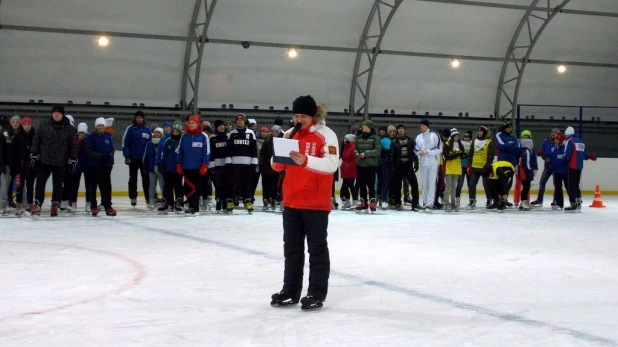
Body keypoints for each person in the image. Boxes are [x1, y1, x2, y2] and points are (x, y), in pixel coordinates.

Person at [270, 95, 338, 310]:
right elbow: (276, 165)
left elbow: (331, 164)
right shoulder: (289, 134)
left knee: (316, 250)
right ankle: (290, 290)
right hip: (291, 202)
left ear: (313, 116)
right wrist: (278, 158)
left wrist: (306, 160)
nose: (299, 119)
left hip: (315, 204)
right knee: (291, 249)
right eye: (296, 115)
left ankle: (316, 293)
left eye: (303, 116)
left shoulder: (326, 135)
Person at [30, 105, 78, 216]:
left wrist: (73, 158)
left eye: (59, 112)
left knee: (57, 185)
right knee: (40, 183)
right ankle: (37, 203)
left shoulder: (69, 129)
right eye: (54, 112)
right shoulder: (44, 125)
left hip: (61, 161)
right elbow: (36, 140)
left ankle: (55, 205)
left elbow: (73, 146)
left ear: (62, 114)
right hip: (44, 160)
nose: (56, 114)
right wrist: (34, 153)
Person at [176, 115, 210, 214]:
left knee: (196, 188)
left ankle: (194, 206)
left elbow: (206, 151)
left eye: (193, 123)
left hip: (198, 167)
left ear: (197, 124)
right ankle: (191, 205)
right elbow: (179, 151)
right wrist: (178, 163)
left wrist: (205, 164)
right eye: (189, 123)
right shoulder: (184, 136)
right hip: (186, 167)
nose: (191, 125)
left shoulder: (203, 136)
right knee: (189, 187)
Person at [224, 113, 257, 213]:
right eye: (238, 120)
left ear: (245, 121)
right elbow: (228, 149)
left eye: (241, 120)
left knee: (246, 184)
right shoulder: (231, 133)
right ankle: (230, 201)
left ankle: (248, 201)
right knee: (232, 183)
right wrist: (228, 161)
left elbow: (253, 149)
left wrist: (254, 162)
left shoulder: (251, 133)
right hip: (234, 163)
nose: (240, 121)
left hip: (247, 164)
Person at [84, 117, 116, 216]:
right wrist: (100, 156)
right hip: (94, 166)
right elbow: (88, 151)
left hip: (106, 165)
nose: (101, 127)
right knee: (93, 187)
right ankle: (93, 206)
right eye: (99, 125)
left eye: (102, 125)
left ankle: (108, 206)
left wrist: (109, 155)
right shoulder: (91, 137)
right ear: (96, 126)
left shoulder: (107, 136)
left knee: (106, 187)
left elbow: (112, 149)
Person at [563, 126, 596, 212]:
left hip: (571, 166)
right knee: (576, 185)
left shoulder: (570, 141)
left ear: (568, 134)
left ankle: (573, 203)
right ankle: (578, 202)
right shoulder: (581, 141)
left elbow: (567, 154)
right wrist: (588, 156)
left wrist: (564, 161)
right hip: (579, 166)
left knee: (571, 185)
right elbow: (583, 154)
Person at [122, 110, 152, 207]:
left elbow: (151, 144)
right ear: (135, 118)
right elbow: (125, 143)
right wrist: (127, 155)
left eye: (141, 117)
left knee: (146, 179)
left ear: (143, 118)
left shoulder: (147, 129)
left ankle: (148, 197)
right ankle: (133, 197)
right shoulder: (130, 129)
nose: (139, 119)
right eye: (137, 117)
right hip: (133, 158)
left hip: (144, 159)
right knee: (133, 179)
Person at [389, 123, 420, 211]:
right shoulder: (394, 142)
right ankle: (398, 203)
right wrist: (392, 167)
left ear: (405, 130)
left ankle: (415, 204)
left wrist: (416, 163)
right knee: (397, 186)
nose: (401, 130)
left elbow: (414, 153)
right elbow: (391, 155)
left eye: (402, 128)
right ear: (397, 131)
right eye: (399, 129)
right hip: (398, 166)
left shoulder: (410, 141)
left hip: (408, 166)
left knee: (414, 185)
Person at [414, 118, 442, 210]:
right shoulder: (418, 137)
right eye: (420, 125)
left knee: (431, 183)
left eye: (423, 125)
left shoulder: (435, 135)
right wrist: (419, 153)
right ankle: (425, 202)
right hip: (423, 163)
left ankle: (430, 203)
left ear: (427, 126)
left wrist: (428, 152)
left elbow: (439, 149)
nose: (421, 127)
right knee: (424, 183)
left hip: (433, 163)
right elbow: (415, 149)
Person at [354, 119, 381, 212]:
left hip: (371, 165)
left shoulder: (375, 138)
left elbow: (377, 151)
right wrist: (357, 153)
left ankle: (372, 202)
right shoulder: (359, 137)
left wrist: (366, 153)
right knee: (362, 185)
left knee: (371, 185)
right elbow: (355, 149)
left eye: (364, 125)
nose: (362, 127)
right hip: (360, 164)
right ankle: (363, 203)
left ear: (369, 127)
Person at [10, 117, 36, 215]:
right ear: (22, 125)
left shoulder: (35, 136)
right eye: (25, 124)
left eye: (28, 124)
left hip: (31, 167)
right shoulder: (17, 137)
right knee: (19, 187)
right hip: (19, 167)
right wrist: (13, 168)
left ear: (31, 125)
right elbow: (13, 153)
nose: (26, 126)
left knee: (30, 186)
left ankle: (30, 205)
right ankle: (19, 205)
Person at [158, 122, 184, 213]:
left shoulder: (182, 141)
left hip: (178, 168)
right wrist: (162, 164)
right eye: (174, 131)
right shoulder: (168, 141)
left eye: (177, 131)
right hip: (168, 168)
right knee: (167, 186)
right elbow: (163, 154)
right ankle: (168, 203)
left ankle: (178, 202)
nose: (175, 133)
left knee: (178, 186)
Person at [531, 128, 560, 207]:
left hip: (556, 166)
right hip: (547, 166)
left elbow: (560, 153)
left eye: (555, 132)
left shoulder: (559, 142)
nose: (553, 134)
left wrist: (552, 158)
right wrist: (544, 157)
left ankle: (556, 200)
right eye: (552, 132)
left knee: (556, 183)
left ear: (558, 134)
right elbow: (543, 152)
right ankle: (539, 199)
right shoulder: (545, 141)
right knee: (542, 182)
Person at [467, 126, 494, 208]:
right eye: (478, 131)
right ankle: (472, 200)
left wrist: (488, 166)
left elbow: (490, 156)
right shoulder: (474, 141)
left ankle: (489, 200)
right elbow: (471, 154)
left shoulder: (489, 142)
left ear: (485, 133)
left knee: (486, 185)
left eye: (481, 131)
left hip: (484, 168)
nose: (479, 133)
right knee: (471, 184)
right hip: (475, 167)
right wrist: (469, 165)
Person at [495, 120, 520, 206]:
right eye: (509, 127)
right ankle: (498, 198)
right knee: (501, 180)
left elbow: (517, 147)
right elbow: (501, 145)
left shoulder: (513, 137)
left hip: (511, 162)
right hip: (502, 162)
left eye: (511, 127)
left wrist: (508, 146)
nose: (511, 129)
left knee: (509, 181)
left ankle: (505, 198)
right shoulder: (498, 135)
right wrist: (510, 144)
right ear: (505, 128)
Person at [259, 125, 281, 211]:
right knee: (266, 185)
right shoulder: (267, 141)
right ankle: (265, 199)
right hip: (266, 167)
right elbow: (262, 154)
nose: (274, 133)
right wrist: (261, 164)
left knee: (274, 185)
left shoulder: (281, 141)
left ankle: (273, 199)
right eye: (273, 131)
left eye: (276, 131)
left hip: (277, 168)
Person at [71, 123, 92, 212]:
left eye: (83, 132)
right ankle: (73, 203)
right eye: (80, 132)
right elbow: (74, 150)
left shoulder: (89, 139)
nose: (81, 134)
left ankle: (88, 203)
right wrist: (79, 141)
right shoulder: (74, 139)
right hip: (77, 165)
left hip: (87, 165)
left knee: (89, 185)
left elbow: (90, 150)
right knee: (74, 185)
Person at [443, 128, 465, 212]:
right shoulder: (447, 144)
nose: (457, 138)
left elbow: (462, 154)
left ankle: (453, 202)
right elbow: (447, 156)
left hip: (457, 167)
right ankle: (446, 202)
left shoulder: (460, 144)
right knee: (448, 185)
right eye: (455, 136)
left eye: (458, 136)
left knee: (454, 186)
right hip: (449, 167)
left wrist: (462, 155)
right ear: (452, 137)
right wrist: (456, 155)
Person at [209, 120, 228, 212]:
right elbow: (210, 152)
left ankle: (225, 202)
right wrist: (211, 165)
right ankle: (218, 201)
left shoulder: (228, 137)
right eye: (220, 126)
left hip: (227, 165)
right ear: (216, 127)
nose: (222, 127)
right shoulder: (212, 138)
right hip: (216, 165)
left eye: (223, 125)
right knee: (218, 185)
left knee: (226, 184)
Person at [144, 127, 164, 209]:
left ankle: (164, 200)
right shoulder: (149, 144)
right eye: (155, 132)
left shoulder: (163, 143)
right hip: (151, 169)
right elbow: (145, 156)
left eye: (159, 132)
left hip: (160, 169)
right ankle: (151, 200)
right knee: (152, 185)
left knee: (162, 185)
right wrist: (145, 167)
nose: (157, 134)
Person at [517, 131, 537, 211]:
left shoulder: (523, 151)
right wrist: (529, 171)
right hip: (525, 172)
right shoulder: (527, 151)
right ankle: (523, 202)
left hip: (522, 171)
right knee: (526, 187)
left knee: (526, 187)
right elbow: (527, 163)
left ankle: (524, 202)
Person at [340, 134, 358, 209]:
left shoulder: (353, 148)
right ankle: (348, 201)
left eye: (346, 139)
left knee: (349, 185)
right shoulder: (346, 147)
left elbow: (354, 160)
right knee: (345, 186)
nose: (344, 141)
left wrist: (349, 166)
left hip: (351, 170)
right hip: (345, 169)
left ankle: (355, 201)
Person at [456, 131, 472, 205]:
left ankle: (471, 200)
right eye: (465, 137)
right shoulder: (460, 143)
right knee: (459, 184)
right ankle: (457, 199)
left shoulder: (473, 144)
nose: (466, 138)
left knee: (470, 184)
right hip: (461, 166)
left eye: (467, 137)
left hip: (469, 166)